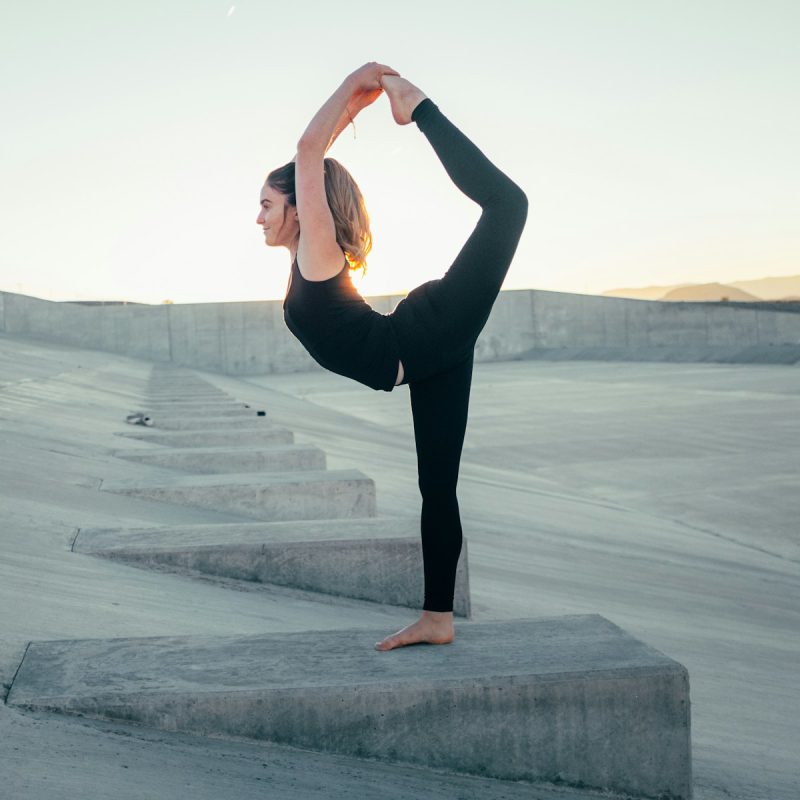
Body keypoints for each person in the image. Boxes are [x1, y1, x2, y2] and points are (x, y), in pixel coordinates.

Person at [256, 63, 528, 652]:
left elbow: (309, 152)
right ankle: (438, 618)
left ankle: (420, 108)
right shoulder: (304, 265)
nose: (258, 216)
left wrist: (366, 83)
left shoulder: (317, 254)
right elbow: (314, 161)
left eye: (267, 204)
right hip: (426, 357)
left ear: (300, 209)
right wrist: (357, 103)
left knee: (509, 205)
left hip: (426, 335)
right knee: (438, 487)